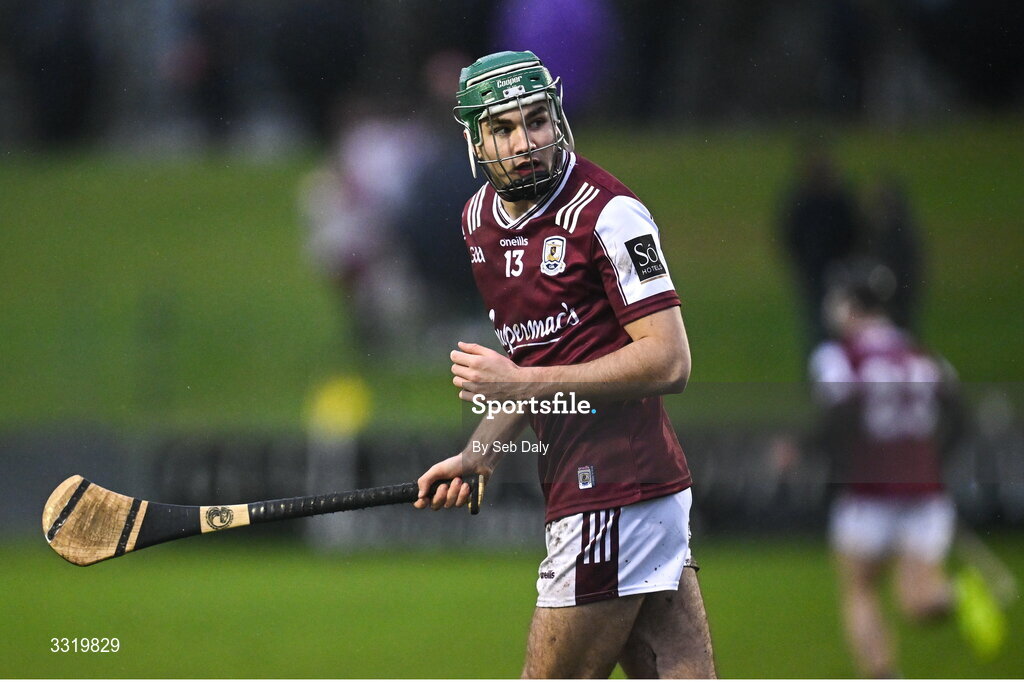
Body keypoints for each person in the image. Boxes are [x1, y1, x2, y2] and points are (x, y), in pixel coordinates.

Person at [412, 51, 716, 678]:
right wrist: (480, 450)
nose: (526, 143)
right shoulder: (479, 225)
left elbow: (670, 360)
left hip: (612, 491)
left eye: (537, 121)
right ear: (475, 139)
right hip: (612, 490)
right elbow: (538, 362)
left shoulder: (609, 214)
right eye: (503, 128)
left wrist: (519, 381)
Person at [809, 278, 965, 678]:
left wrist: (814, 454)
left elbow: (837, 417)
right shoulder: (921, 354)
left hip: (869, 493)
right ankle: (947, 594)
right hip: (924, 491)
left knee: (860, 589)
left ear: (850, 308)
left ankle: (881, 673)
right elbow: (958, 414)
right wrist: (932, 462)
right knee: (918, 603)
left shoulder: (840, 356)